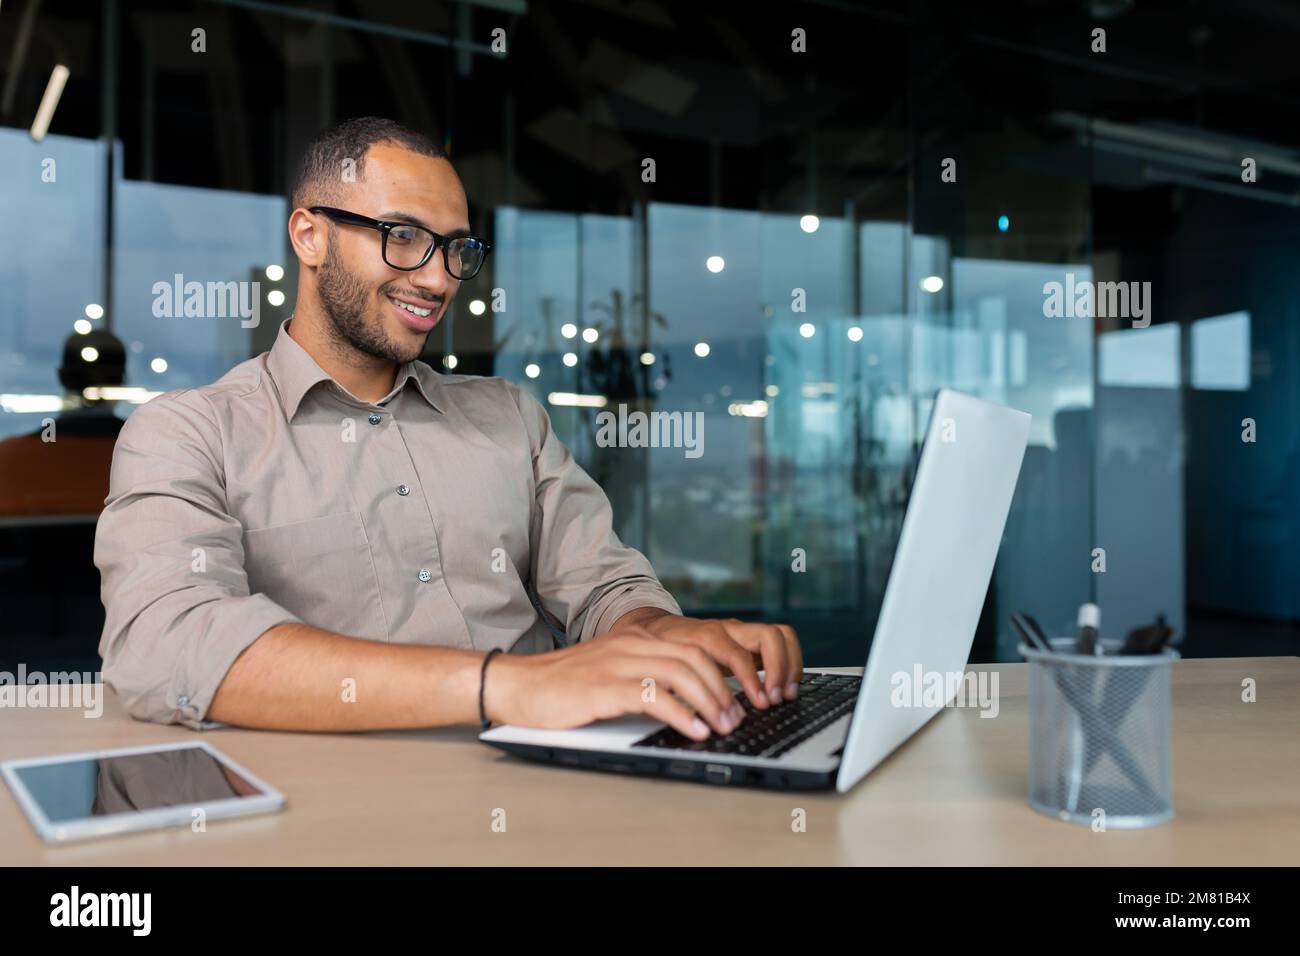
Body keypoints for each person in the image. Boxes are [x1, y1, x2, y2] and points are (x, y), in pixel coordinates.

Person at [95, 117, 802, 740]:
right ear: (310, 236)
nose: (437, 280)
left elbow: (602, 587)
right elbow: (166, 645)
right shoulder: (187, 434)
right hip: (331, 822)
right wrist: (509, 687)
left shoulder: (509, 417)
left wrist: (667, 637)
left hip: (549, 785)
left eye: (456, 249)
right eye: (403, 237)